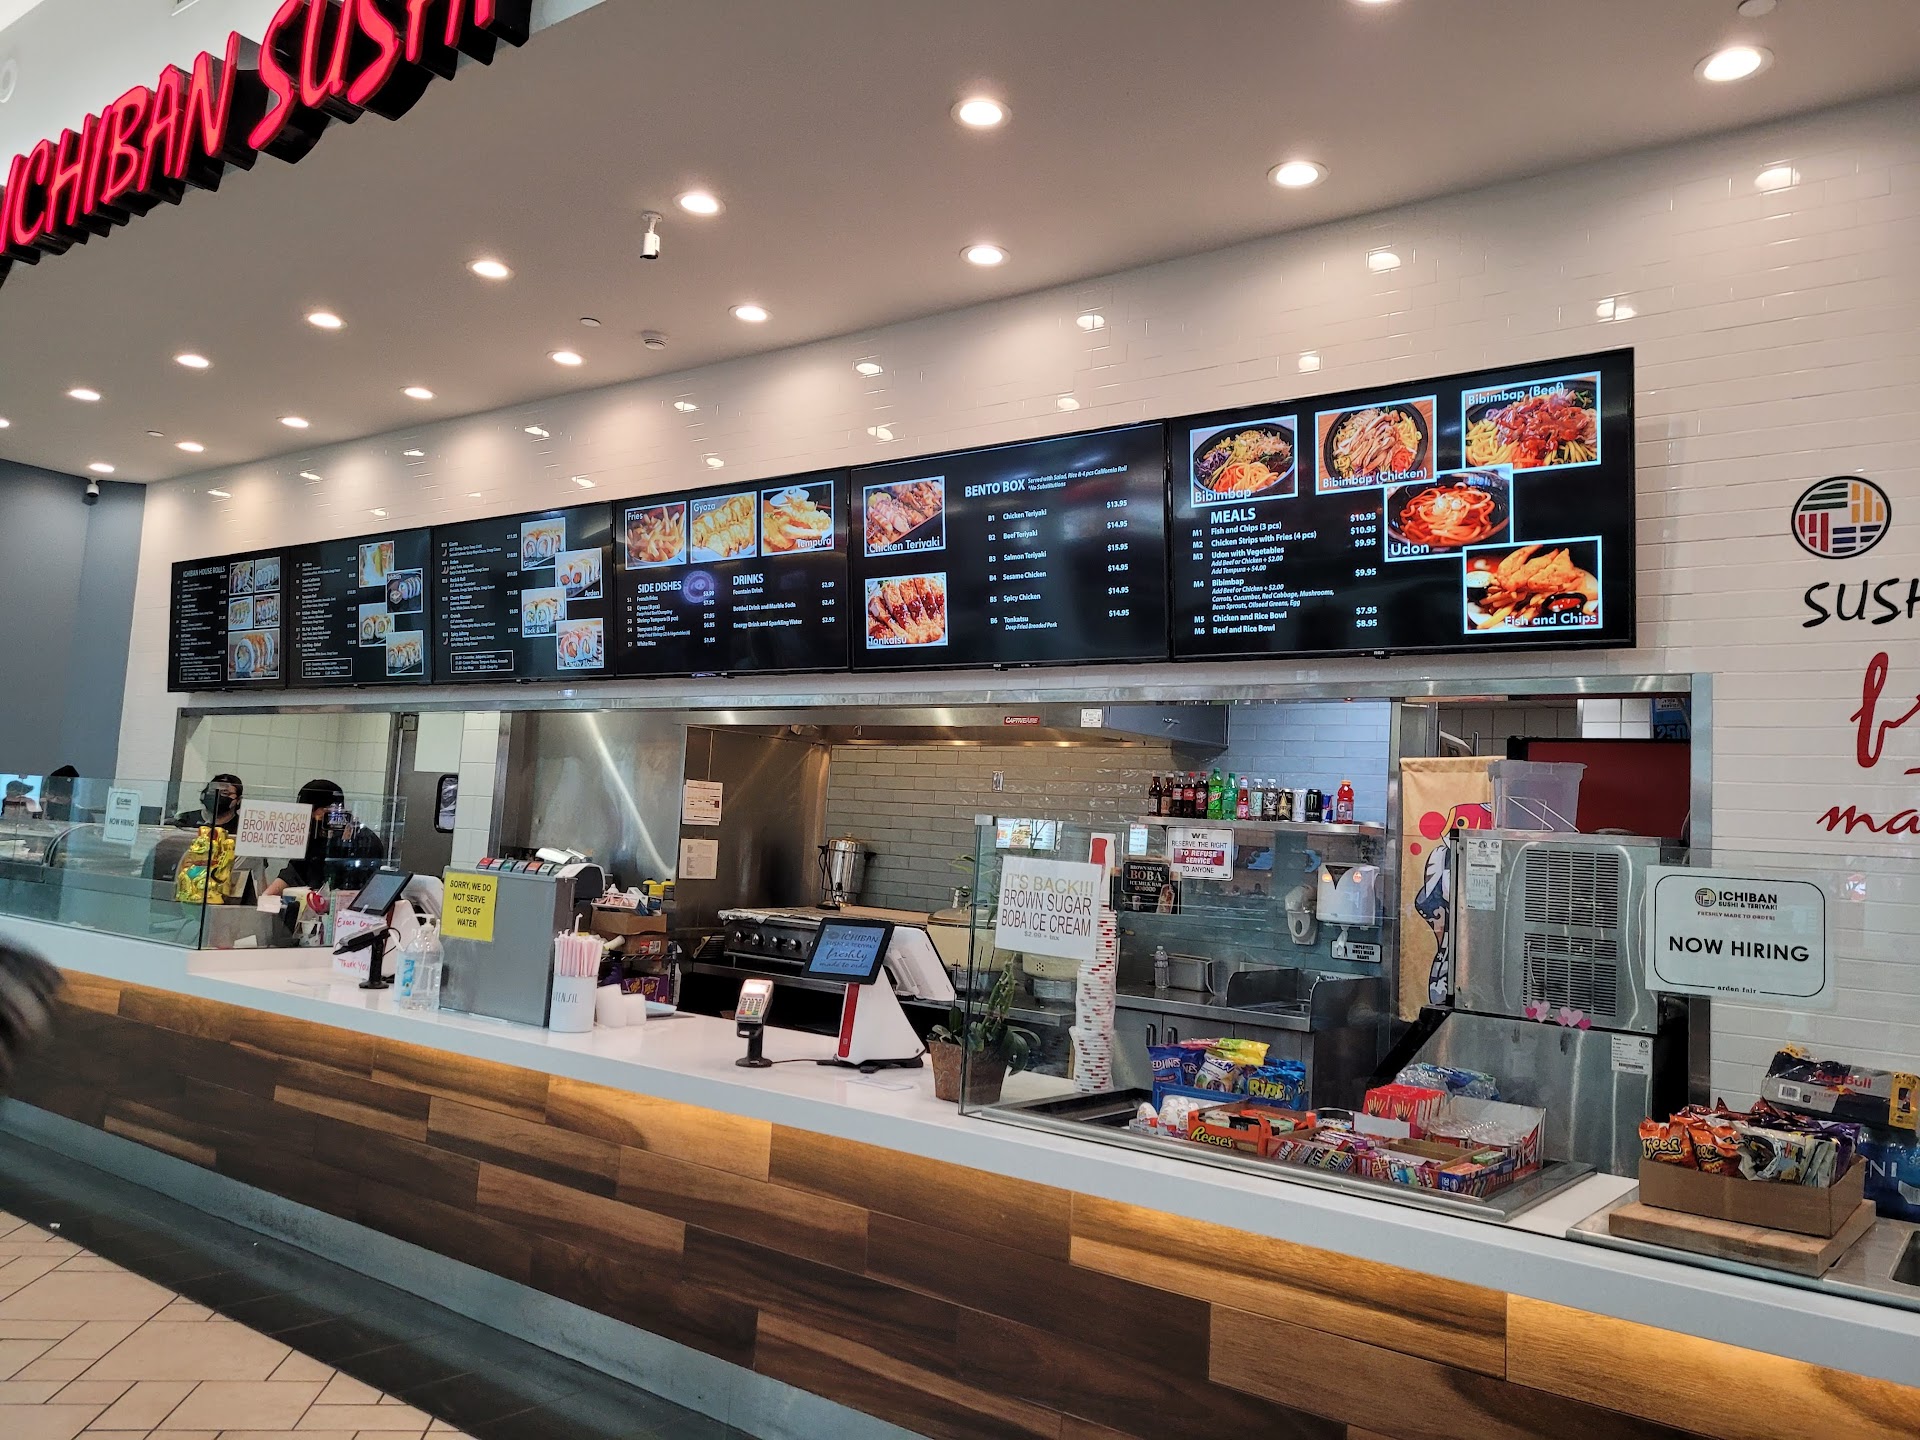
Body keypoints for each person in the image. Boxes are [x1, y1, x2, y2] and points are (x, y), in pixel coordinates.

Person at [263, 779, 386, 897]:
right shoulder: (319, 835)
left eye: (309, 813)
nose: (306, 820)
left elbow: (351, 888)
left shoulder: (362, 841)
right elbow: (296, 870)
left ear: (326, 811)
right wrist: (266, 897)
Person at [173, 774, 243, 832]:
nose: (217, 796)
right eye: (212, 792)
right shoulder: (184, 820)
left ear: (238, 800)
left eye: (225, 793)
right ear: (203, 794)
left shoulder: (242, 827)